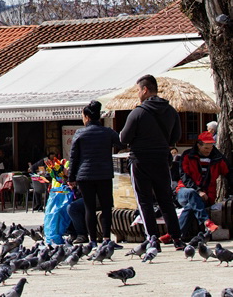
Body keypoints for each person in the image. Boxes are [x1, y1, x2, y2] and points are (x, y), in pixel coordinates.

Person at [119, 74, 184, 248]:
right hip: (162, 159)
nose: (138, 94)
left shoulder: (138, 112)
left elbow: (124, 138)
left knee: (144, 201)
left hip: (140, 160)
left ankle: (153, 239)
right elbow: (176, 136)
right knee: (166, 199)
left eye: (138, 90)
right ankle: (177, 238)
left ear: (145, 90)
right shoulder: (171, 111)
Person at [68, 100, 123, 244]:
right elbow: (122, 143)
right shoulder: (108, 132)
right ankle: (106, 238)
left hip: (85, 176)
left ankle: (92, 240)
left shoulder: (80, 133)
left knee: (89, 208)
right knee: (106, 207)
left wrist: (71, 177)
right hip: (104, 174)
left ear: (86, 117)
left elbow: (73, 157)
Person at [175, 131, 232, 237]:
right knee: (192, 193)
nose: (208, 151)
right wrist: (198, 190)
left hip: (206, 196)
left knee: (191, 206)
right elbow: (184, 176)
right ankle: (206, 221)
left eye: (210, 148)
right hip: (184, 191)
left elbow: (230, 173)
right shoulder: (187, 155)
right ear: (198, 145)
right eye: (206, 148)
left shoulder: (218, 158)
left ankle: (175, 235)